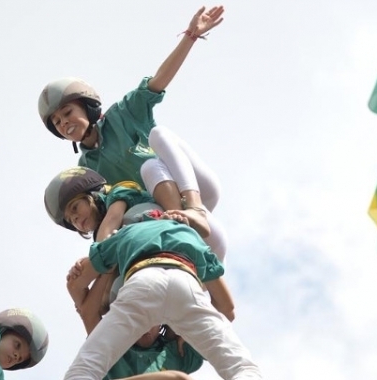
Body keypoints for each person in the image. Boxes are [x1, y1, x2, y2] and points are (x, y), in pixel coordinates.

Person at [37, 5, 229, 261]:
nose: (64, 123)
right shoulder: (86, 173)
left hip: (193, 188)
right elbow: (106, 217)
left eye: (67, 112)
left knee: (157, 139)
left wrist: (191, 36)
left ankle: (195, 209)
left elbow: (160, 79)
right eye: (57, 122)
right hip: (165, 212)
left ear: (87, 106)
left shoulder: (123, 114)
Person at [44, 167, 261, 380]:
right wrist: (187, 331)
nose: (75, 220)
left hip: (142, 284)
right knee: (241, 366)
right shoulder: (189, 235)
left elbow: (82, 280)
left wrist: (88, 268)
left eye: (75, 209)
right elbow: (228, 309)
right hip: (187, 285)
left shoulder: (126, 233)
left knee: (83, 370)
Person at [46, 166, 234, 318]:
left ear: (93, 195)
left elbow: (112, 220)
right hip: (149, 269)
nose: (76, 219)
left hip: (169, 241)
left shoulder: (118, 194)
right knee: (110, 298)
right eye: (71, 220)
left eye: (75, 207)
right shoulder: (109, 240)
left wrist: (92, 260)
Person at [67, 257, 204, 380]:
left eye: (150, 318)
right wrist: (107, 267)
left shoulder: (174, 352)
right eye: (137, 317)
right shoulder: (110, 343)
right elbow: (87, 312)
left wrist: (186, 330)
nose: (144, 327)